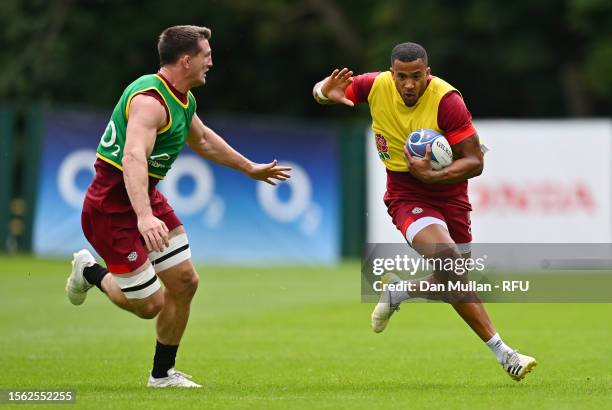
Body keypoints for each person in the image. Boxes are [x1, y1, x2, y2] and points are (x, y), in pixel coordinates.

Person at [65, 25, 291, 388]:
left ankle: (162, 375)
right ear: (186, 60)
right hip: (111, 208)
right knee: (148, 305)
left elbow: (201, 138)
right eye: (206, 55)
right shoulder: (150, 101)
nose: (211, 62)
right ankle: (90, 271)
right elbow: (134, 156)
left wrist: (249, 167)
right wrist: (143, 216)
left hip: (145, 195)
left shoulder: (182, 98)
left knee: (185, 281)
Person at [312, 42, 536, 381]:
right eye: (402, 76)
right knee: (450, 265)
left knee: (454, 280)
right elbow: (328, 91)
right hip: (406, 193)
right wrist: (322, 92)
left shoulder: (447, 101)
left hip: (450, 193)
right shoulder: (375, 85)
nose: (409, 85)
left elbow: (475, 161)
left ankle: (399, 291)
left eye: (416, 76)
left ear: (427, 74)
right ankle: (505, 354)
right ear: (392, 73)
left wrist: (434, 174)